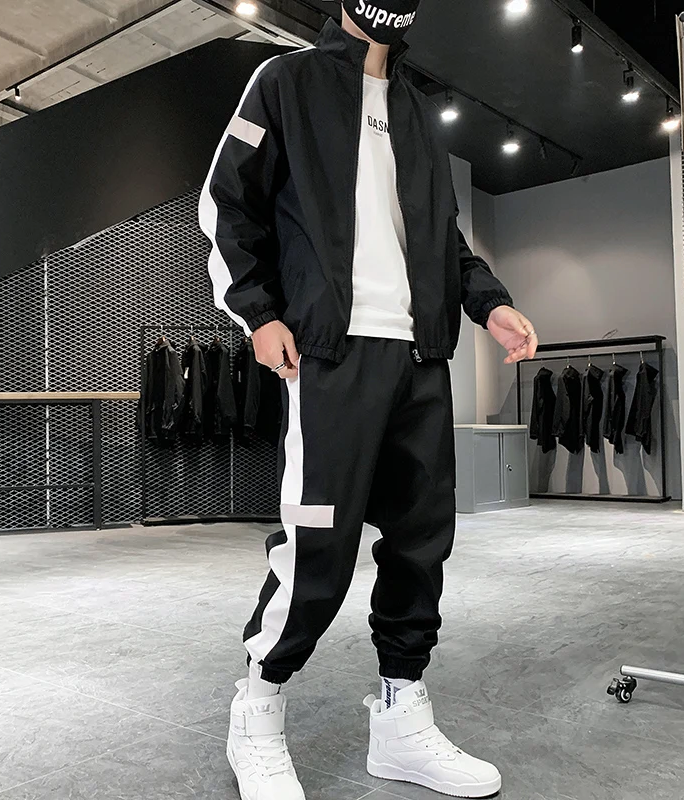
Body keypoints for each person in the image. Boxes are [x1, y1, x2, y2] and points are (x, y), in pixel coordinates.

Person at [199, 1, 537, 797]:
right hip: (331, 357)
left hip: (420, 358)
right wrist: (258, 312)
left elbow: (445, 239)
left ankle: (400, 717)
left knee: (421, 545)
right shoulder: (285, 82)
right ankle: (258, 709)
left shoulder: (418, 111)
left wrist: (488, 303)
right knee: (318, 548)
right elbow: (227, 205)